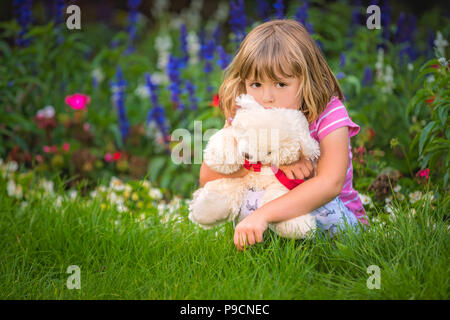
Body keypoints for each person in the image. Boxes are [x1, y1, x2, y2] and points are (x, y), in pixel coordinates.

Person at [199, 19, 369, 251]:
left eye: (280, 84)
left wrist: (263, 215)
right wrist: (271, 165)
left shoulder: (330, 114)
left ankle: (308, 250)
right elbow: (209, 175)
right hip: (268, 213)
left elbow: (331, 184)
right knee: (242, 196)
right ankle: (269, 248)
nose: (267, 97)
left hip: (333, 220)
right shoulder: (246, 114)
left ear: (306, 79)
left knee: (318, 205)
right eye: (256, 84)